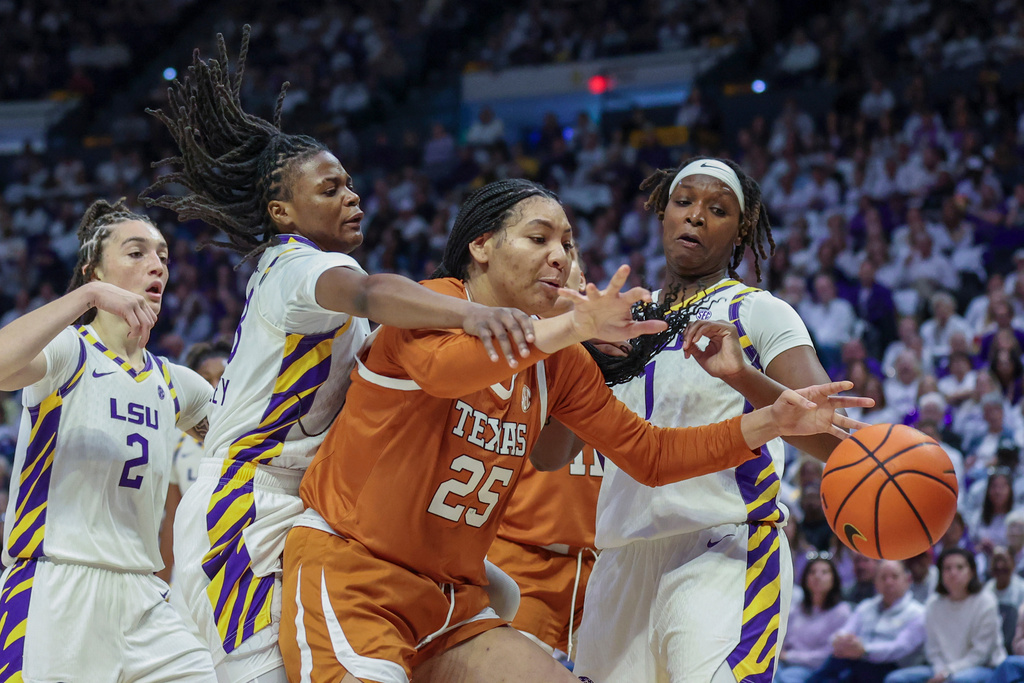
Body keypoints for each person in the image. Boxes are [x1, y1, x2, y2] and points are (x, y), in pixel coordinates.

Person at [280, 178, 870, 683]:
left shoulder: (559, 364)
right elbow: (447, 375)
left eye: (567, 242)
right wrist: (567, 328)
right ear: (481, 246)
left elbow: (650, 454)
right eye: (539, 239)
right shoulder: (434, 306)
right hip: (356, 574)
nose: (560, 256)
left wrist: (770, 419)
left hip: (451, 601)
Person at [142, 29, 537, 683]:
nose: (351, 195)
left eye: (350, 184)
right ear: (283, 211)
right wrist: (474, 311)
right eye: (329, 189)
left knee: (494, 593)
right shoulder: (295, 268)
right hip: (246, 503)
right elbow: (371, 291)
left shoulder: (326, 287)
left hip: (320, 502)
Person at [573, 156, 846, 683]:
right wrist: (577, 351)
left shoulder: (758, 311)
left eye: (716, 209)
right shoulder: (620, 318)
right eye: (683, 203)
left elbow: (835, 440)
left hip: (721, 547)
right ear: (662, 215)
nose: (694, 217)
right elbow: (551, 453)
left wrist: (742, 376)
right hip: (620, 557)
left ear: (740, 229)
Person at [0, 199, 217, 682]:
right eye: (135, 253)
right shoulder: (69, 352)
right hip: (58, 589)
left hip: (144, 597)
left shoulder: (176, 383)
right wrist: (86, 297)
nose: (156, 264)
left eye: (161, 254)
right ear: (92, 270)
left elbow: (249, 440)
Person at [157, 339, 230, 584]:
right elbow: (172, 518)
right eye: (206, 379)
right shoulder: (177, 441)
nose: (215, 386)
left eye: (222, 376)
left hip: (239, 561)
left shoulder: (256, 430)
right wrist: (164, 581)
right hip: (192, 568)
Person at [884, 548, 1005, 683]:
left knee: (959, 681)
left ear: (971, 572)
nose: (953, 573)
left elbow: (980, 654)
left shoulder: (986, 602)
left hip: (981, 668)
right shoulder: (933, 604)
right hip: (940, 668)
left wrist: (948, 673)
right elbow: (933, 650)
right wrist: (941, 672)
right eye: (947, 568)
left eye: (960, 567)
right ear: (940, 573)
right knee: (896, 679)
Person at [807, 560, 926, 683]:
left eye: (894, 576)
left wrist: (864, 650)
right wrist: (840, 640)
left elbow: (900, 648)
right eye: (883, 577)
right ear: (875, 582)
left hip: (892, 668)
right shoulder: (866, 606)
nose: (888, 582)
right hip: (857, 661)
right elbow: (846, 630)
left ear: (908, 579)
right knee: (835, 662)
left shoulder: (917, 613)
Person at [777, 555, 853, 683]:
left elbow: (827, 655)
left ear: (834, 579)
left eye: (824, 572)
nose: (817, 576)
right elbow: (782, 640)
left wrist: (789, 656)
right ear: (805, 578)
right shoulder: (797, 607)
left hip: (812, 669)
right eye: (812, 572)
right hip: (783, 663)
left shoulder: (841, 612)